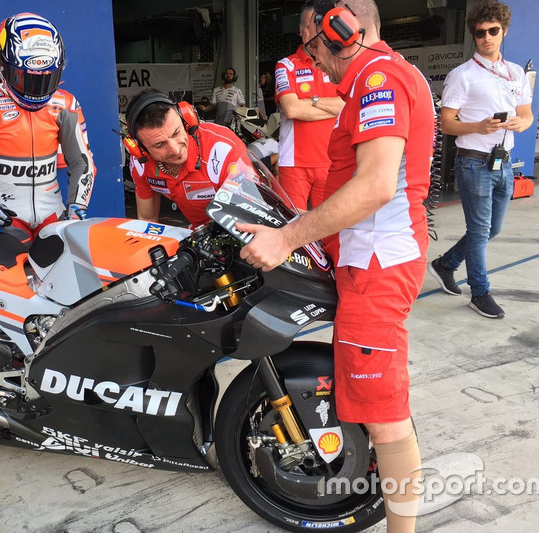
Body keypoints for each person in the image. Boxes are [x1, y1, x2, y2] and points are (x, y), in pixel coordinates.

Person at [237, 1, 435, 530]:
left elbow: (374, 186)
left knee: (384, 413)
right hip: (367, 257)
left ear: (342, 31)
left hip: (378, 265)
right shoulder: (378, 78)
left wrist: (287, 238)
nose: (314, 61)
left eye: (314, 46)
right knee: (375, 400)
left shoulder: (379, 80)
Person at [428, 0, 533, 319]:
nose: (486, 37)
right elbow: (445, 123)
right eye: (479, 32)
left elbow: (527, 115)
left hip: (503, 160)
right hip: (473, 162)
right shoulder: (463, 75)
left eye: (493, 31)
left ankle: (445, 265)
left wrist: (520, 123)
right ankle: (480, 291)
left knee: (492, 228)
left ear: (504, 31)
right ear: (474, 35)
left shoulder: (516, 73)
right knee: (478, 229)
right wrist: (479, 126)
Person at [0, 13, 95, 239]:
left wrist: (77, 206)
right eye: (25, 78)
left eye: (47, 79)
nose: (36, 89)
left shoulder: (67, 103)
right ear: (1, 65)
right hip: (2, 217)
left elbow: (82, 162)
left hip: (53, 215)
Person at [126, 89, 251, 228]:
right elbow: (147, 220)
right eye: (160, 144)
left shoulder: (222, 150)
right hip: (198, 234)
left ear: (187, 120)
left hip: (240, 229)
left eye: (176, 133)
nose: (175, 149)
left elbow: (250, 218)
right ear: (139, 148)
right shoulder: (140, 162)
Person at [275, 3, 344, 210]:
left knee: (328, 229)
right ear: (300, 30)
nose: (311, 31)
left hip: (330, 161)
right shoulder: (285, 65)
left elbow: (346, 106)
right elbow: (292, 110)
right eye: (306, 26)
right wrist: (329, 108)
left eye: (315, 25)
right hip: (294, 164)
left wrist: (311, 101)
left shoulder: (337, 64)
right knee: (290, 225)